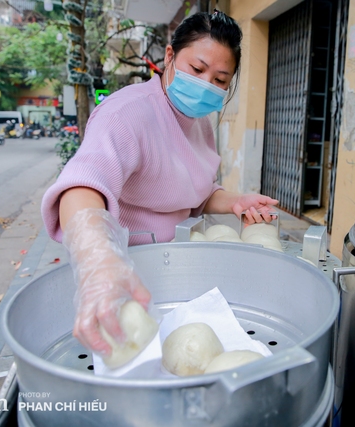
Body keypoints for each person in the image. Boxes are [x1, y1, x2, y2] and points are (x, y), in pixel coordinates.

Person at [41, 10, 279, 360]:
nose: (206, 86)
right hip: (129, 281)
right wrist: (98, 261)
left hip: (182, 273)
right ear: (169, 57)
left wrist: (234, 201)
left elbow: (196, 193)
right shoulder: (126, 114)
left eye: (220, 79)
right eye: (197, 70)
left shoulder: (199, 125)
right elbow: (82, 187)